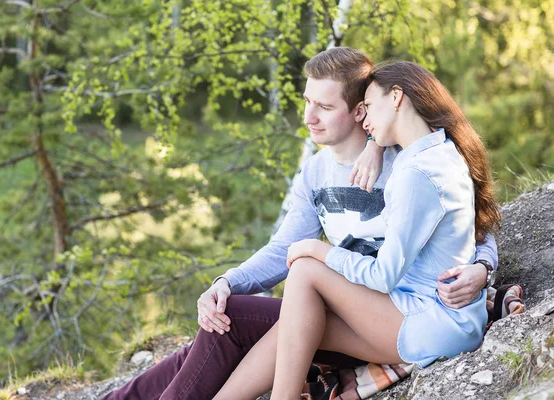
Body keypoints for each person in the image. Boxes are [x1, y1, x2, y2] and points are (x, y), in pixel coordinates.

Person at [101, 49, 498, 400]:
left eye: (324, 107)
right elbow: (282, 248)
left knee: (244, 317)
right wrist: (225, 282)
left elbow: (471, 224)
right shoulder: (317, 172)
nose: (309, 117)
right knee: (225, 317)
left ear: (361, 110)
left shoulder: (406, 159)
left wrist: (482, 269)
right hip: (349, 306)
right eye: (307, 101)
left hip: (393, 311)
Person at [212, 60, 501, 400]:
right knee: (299, 325)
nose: (365, 118)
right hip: (427, 315)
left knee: (306, 270)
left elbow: (383, 276)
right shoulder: (440, 151)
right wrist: (374, 145)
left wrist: (318, 250)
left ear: (396, 97)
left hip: (431, 321)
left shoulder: (414, 174)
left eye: (369, 107)